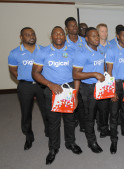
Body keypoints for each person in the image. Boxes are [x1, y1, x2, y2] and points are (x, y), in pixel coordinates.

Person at [32, 26, 82, 165]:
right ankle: (53, 148)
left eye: (61, 33)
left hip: (69, 89)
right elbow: (35, 73)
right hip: (51, 90)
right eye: (55, 33)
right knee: (53, 122)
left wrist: (75, 94)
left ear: (64, 36)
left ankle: (70, 143)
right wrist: (50, 84)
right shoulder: (43, 52)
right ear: (51, 37)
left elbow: (77, 75)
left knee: (70, 119)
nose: (59, 35)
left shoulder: (73, 52)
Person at [8, 27, 48, 151]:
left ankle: (49, 131)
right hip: (25, 87)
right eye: (27, 34)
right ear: (21, 37)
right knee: (26, 113)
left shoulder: (43, 50)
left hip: (42, 85)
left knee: (46, 110)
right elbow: (13, 70)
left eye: (33, 34)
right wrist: (25, 81)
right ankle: (29, 136)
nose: (31, 36)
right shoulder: (14, 53)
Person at [73, 27, 108, 153]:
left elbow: (103, 65)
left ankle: (103, 129)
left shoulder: (101, 49)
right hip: (88, 88)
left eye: (97, 36)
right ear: (86, 38)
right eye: (93, 36)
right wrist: (94, 74)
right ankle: (91, 141)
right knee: (90, 116)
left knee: (103, 110)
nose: (97, 38)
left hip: (101, 86)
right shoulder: (81, 53)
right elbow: (76, 74)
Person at [106, 26, 124, 154]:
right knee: (113, 115)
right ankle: (114, 140)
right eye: (123, 35)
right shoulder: (111, 50)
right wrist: (111, 91)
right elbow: (109, 72)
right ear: (117, 36)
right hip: (116, 85)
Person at [64, 17, 86, 132]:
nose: (75, 27)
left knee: (82, 101)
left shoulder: (84, 40)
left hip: (83, 76)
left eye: (75, 25)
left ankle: (83, 124)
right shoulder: (63, 42)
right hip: (70, 77)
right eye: (72, 26)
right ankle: (73, 121)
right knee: (72, 99)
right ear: (67, 28)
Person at [95, 23, 111, 135]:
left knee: (106, 106)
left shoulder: (112, 46)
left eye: (106, 31)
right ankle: (100, 126)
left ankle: (103, 127)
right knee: (99, 106)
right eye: (102, 31)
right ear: (97, 33)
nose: (104, 33)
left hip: (109, 79)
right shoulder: (94, 46)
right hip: (97, 80)